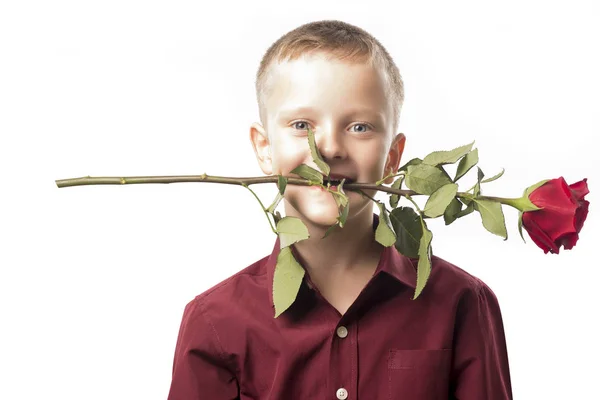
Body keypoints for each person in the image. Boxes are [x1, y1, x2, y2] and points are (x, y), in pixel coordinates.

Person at [167, 20, 512, 400]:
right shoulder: (214, 323)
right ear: (265, 148)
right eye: (302, 125)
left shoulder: (461, 304)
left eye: (360, 127)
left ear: (393, 158)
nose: (330, 148)